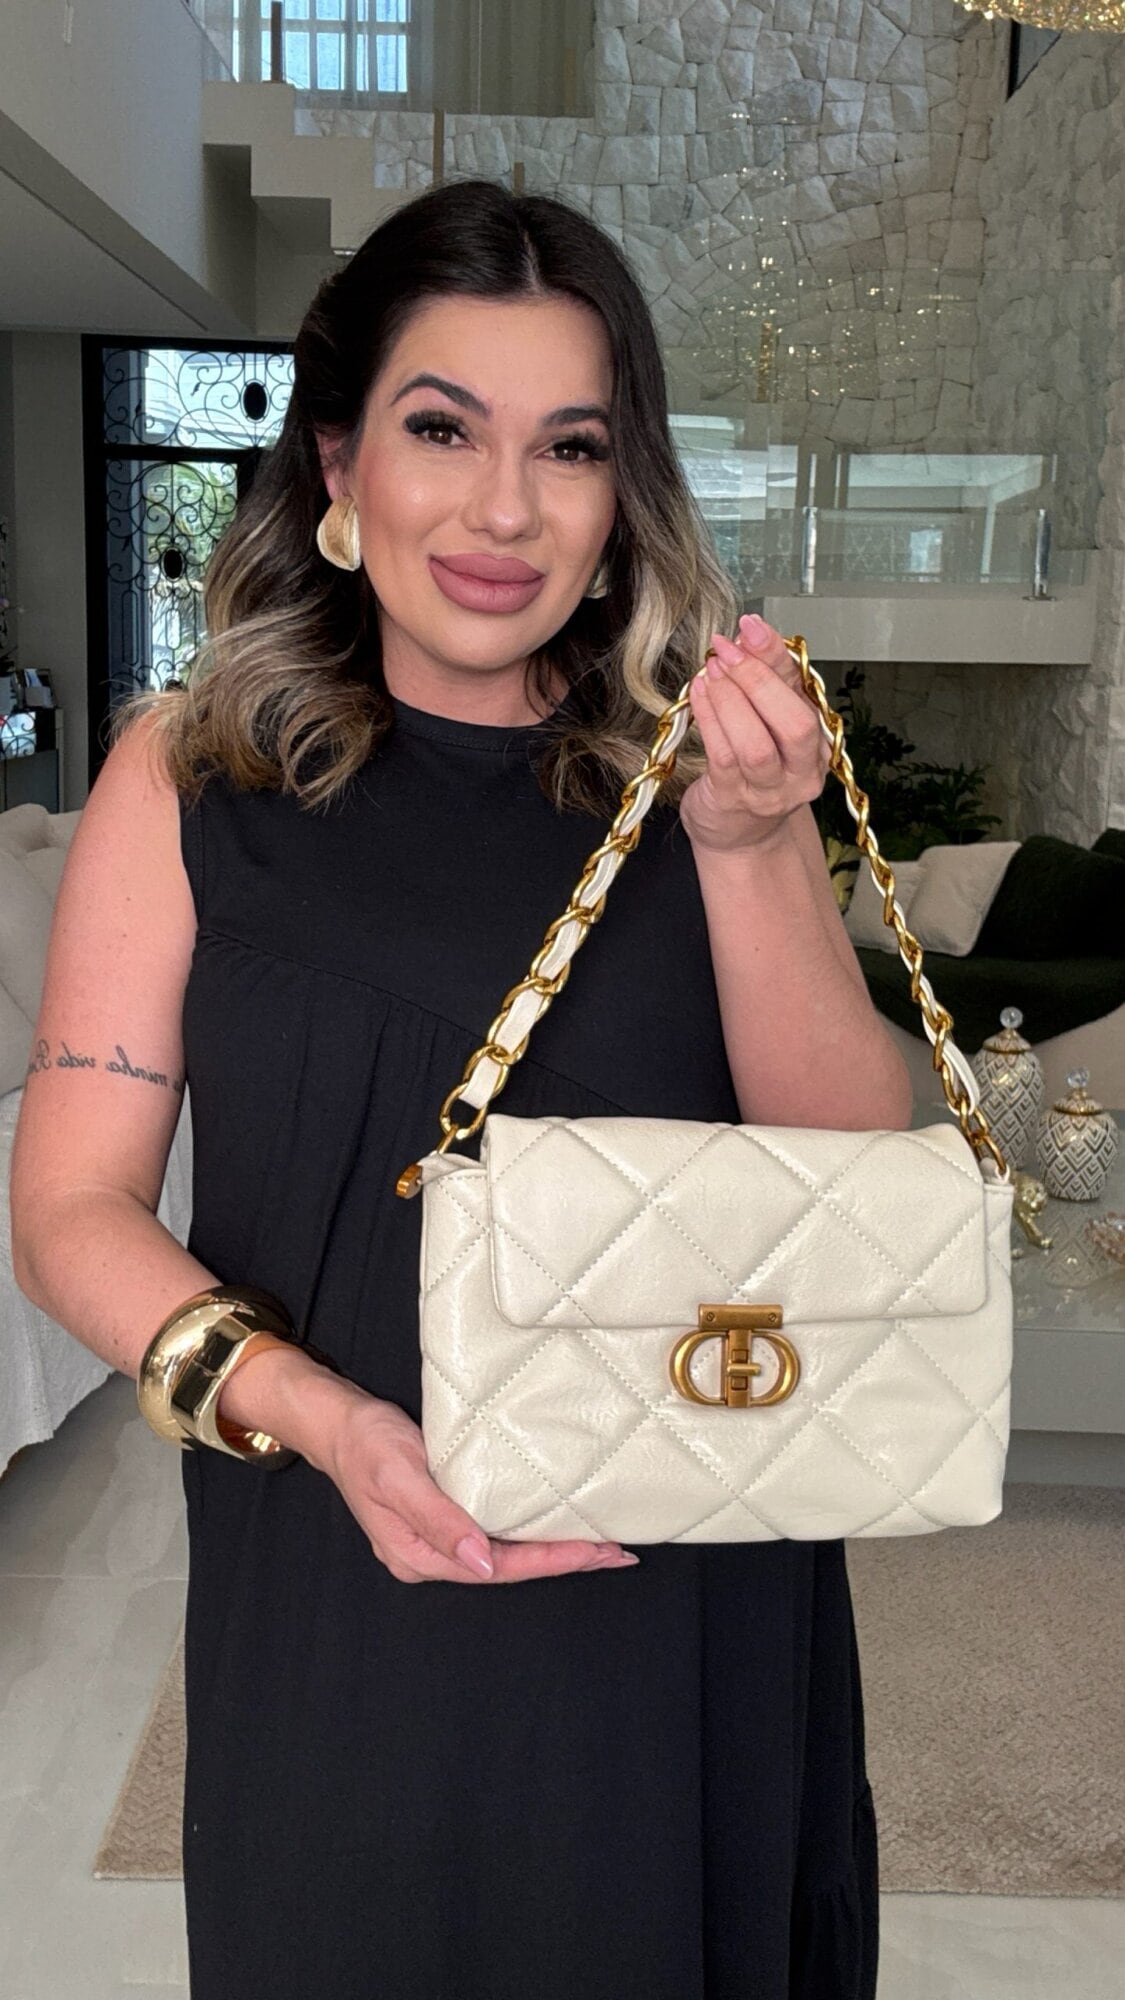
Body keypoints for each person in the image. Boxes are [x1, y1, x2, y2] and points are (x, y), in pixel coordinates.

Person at [11, 178, 912, 1998]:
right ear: (338, 465)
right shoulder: (189, 780)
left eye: (568, 447)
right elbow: (71, 1203)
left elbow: (849, 1178)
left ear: (621, 493)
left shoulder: (698, 778)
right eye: (443, 430)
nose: (506, 509)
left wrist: (751, 847)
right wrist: (327, 1422)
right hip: (340, 1571)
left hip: (686, 1584)